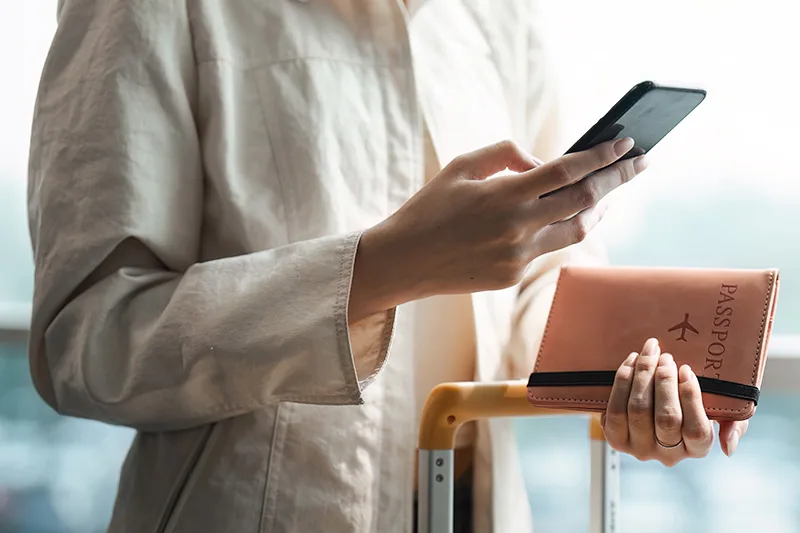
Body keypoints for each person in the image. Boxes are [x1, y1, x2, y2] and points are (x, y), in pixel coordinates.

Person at [26, 1, 748, 532]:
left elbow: (542, 274)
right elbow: (85, 339)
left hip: (478, 511)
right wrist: (378, 269)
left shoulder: (496, 18)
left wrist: (629, 384)